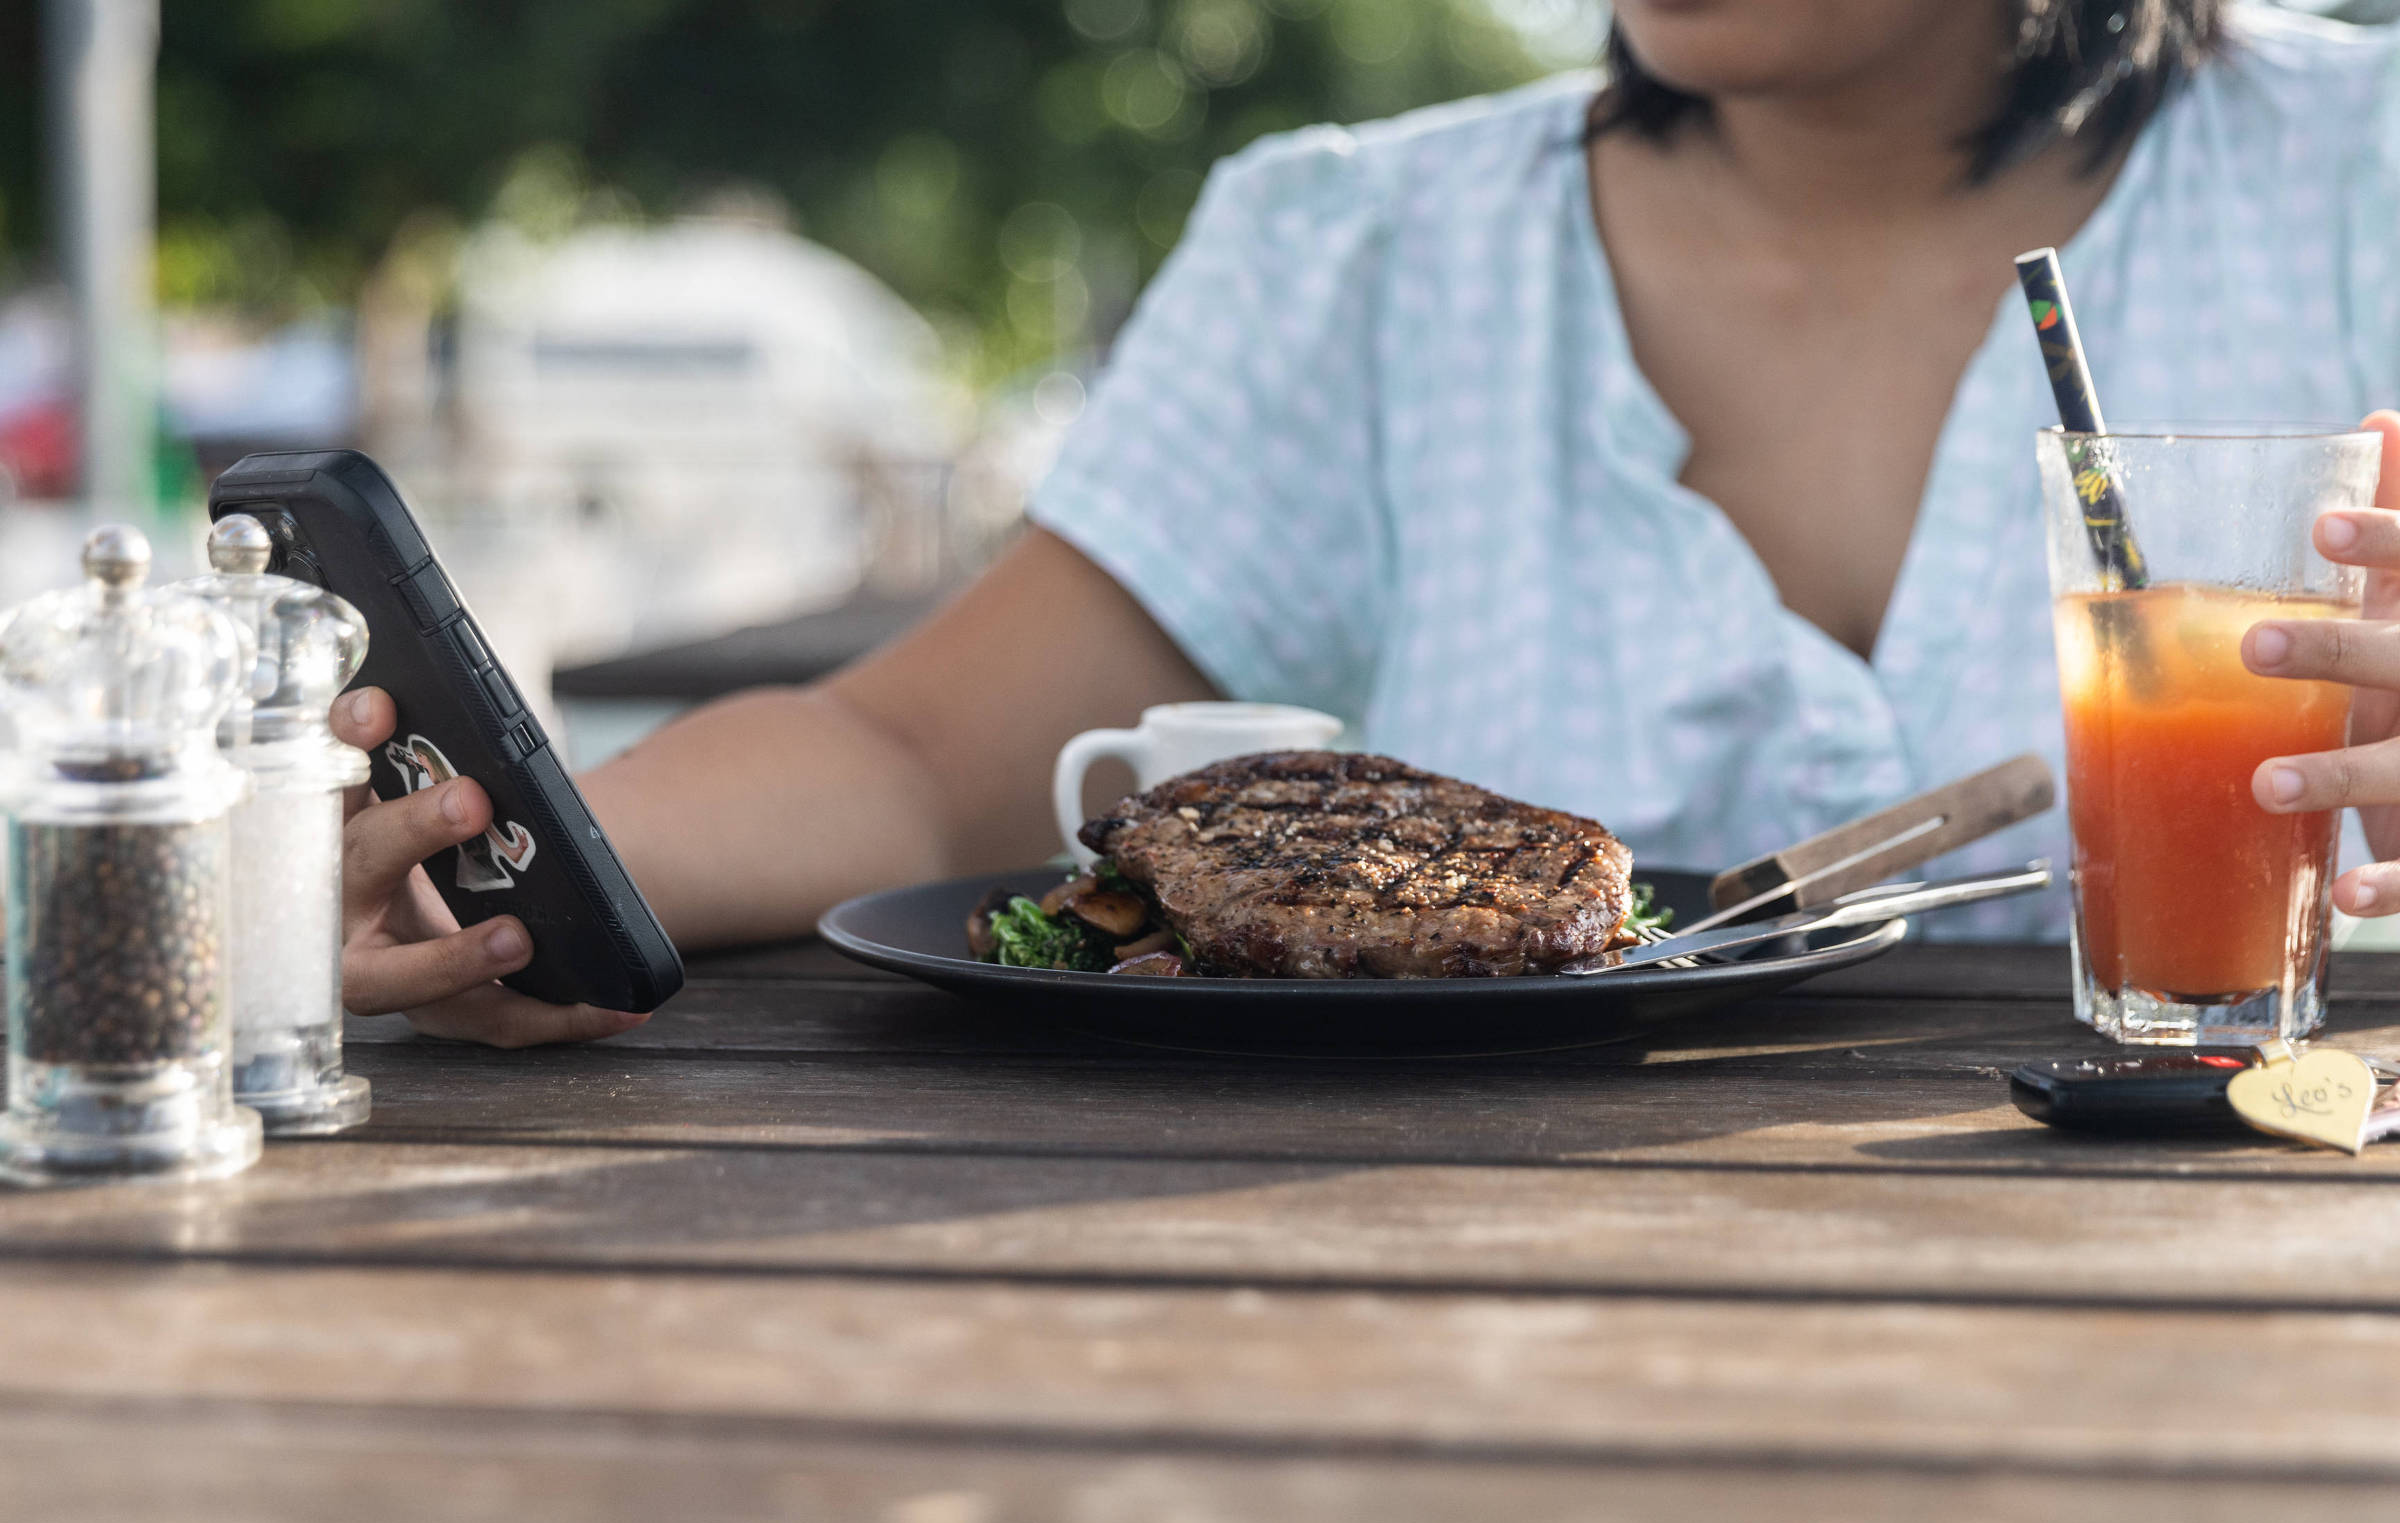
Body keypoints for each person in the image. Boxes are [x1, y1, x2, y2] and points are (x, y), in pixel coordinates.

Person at [334, 0, 2400, 1047]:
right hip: (1443, 1322)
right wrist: (519, 875)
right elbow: (899, 751)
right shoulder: (1372, 251)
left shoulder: (2360, 164)